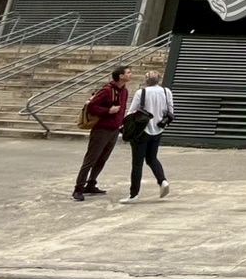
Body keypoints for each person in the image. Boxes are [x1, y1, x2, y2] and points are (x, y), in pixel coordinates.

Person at [72, 65, 130, 202]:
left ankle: (91, 183)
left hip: (114, 129)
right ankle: (78, 188)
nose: (130, 75)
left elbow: (122, 109)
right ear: (121, 76)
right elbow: (92, 106)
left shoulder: (124, 91)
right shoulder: (107, 90)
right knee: (90, 159)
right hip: (101, 129)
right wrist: (107, 111)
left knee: (103, 158)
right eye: (128, 72)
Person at [119, 70, 174, 204]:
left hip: (141, 131)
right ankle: (163, 181)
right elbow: (170, 111)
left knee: (137, 163)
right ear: (159, 80)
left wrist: (124, 127)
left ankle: (134, 195)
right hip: (158, 129)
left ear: (146, 80)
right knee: (152, 158)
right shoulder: (167, 92)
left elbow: (131, 112)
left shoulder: (141, 93)